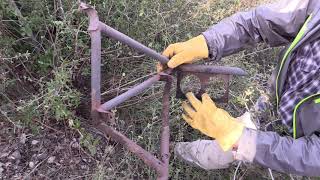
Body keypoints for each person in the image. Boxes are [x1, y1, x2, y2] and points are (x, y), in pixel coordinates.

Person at [161, 0, 320, 176]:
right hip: (271, 105)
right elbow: (259, 21)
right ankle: (181, 152)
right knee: (217, 152)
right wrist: (207, 42)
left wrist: (241, 138)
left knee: (244, 152)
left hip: (301, 153)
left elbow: (314, 158)